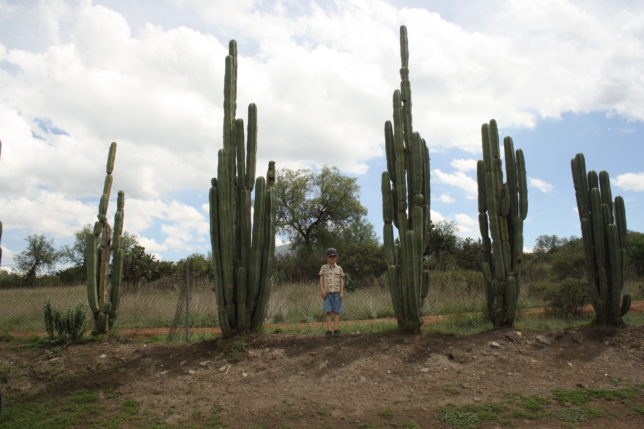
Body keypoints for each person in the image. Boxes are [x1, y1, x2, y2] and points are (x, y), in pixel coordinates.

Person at [319, 247, 345, 338]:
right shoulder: (324, 268)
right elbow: (321, 279)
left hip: (337, 293)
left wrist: (341, 292)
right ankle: (329, 330)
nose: (332, 258)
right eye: (330, 257)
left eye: (334, 256)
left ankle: (337, 329)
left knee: (336, 312)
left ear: (337, 257)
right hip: (327, 294)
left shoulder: (339, 268)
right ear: (327, 258)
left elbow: (342, 280)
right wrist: (322, 290)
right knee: (328, 312)